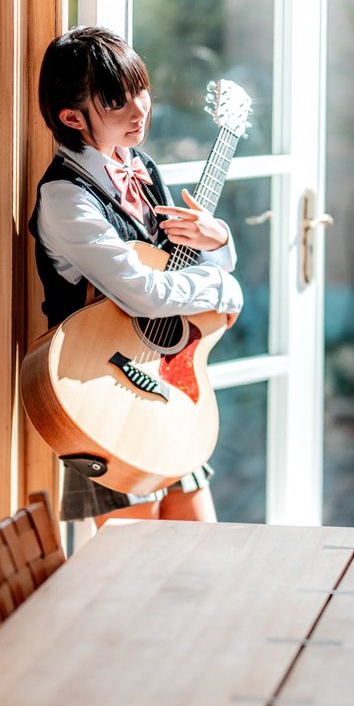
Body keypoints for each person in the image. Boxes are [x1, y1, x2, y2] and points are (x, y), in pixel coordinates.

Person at [29, 26, 243, 526]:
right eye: (116, 102)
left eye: (141, 90)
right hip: (104, 390)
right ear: (71, 117)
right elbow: (144, 292)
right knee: (135, 567)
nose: (139, 110)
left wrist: (217, 242)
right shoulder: (66, 198)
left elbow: (173, 266)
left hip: (166, 379)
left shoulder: (140, 166)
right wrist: (224, 288)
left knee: (204, 551)